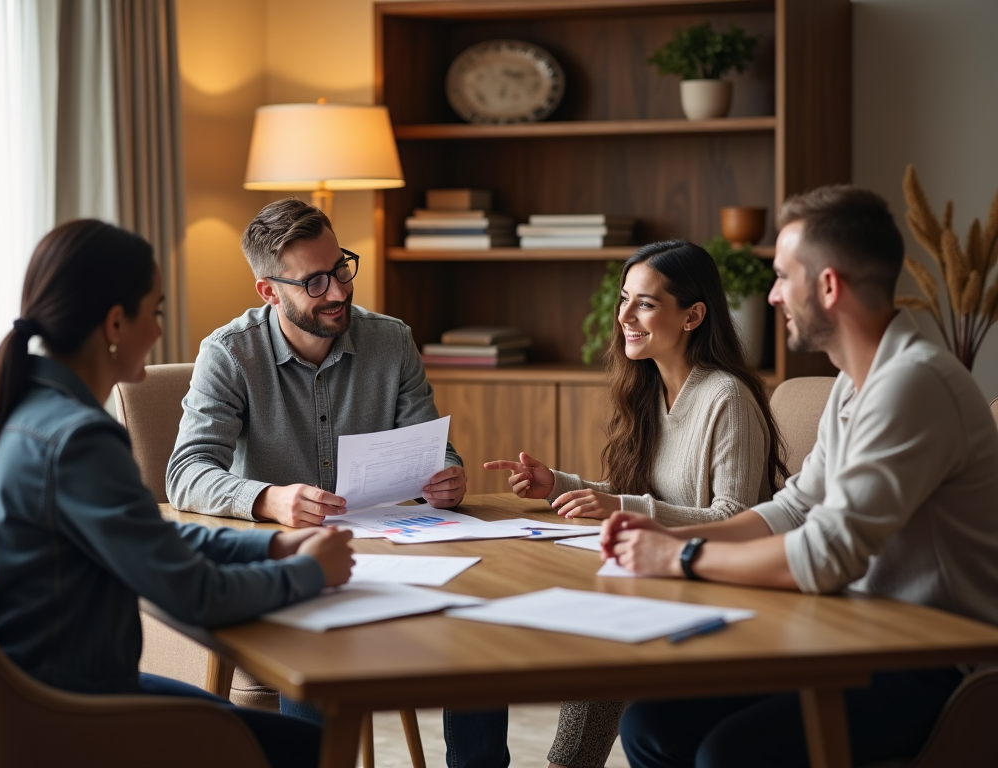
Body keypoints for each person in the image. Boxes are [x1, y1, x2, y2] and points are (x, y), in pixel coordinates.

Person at [607, 186, 998, 768]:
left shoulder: (913, 385)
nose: (771, 295)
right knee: (650, 726)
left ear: (829, 286)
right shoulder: (855, 381)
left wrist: (682, 560)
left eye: (783, 277)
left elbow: (825, 554)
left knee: (728, 753)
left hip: (936, 658)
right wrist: (670, 540)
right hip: (853, 632)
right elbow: (792, 510)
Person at [0, 220, 356, 768]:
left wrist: (269, 549)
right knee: (311, 751)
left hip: (28, 696)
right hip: (68, 715)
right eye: (154, 311)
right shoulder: (80, 440)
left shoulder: (25, 411)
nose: (158, 331)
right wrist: (310, 574)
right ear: (113, 322)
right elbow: (195, 595)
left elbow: (148, 538)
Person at [165, 199, 506, 768]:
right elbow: (186, 473)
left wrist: (443, 477)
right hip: (288, 561)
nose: (338, 291)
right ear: (269, 292)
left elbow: (432, 445)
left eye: (341, 268)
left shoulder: (392, 341)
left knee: (479, 622)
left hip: (391, 546)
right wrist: (271, 499)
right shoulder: (228, 354)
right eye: (315, 282)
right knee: (318, 633)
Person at [485, 240, 787, 768]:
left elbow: (735, 519)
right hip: (663, 573)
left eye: (644, 303)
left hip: (718, 586)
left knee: (597, 633)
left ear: (694, 315)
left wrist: (619, 506)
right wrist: (556, 483)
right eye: (625, 299)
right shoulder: (649, 388)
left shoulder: (726, 397)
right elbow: (652, 494)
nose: (623, 315)